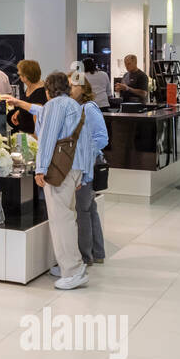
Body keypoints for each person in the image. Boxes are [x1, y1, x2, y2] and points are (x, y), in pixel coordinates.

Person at [2, 71, 93, 290]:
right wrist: (85, 173)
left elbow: (47, 139)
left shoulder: (55, 107)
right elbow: (43, 113)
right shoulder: (72, 105)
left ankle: (73, 270)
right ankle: (66, 265)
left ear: (47, 91)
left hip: (58, 169)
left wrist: (40, 169)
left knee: (61, 220)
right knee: (67, 216)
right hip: (74, 168)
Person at [72, 78, 110, 265]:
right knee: (89, 208)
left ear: (83, 87)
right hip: (85, 162)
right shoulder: (76, 107)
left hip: (89, 163)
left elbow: (102, 138)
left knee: (83, 209)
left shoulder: (88, 108)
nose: (70, 89)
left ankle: (85, 257)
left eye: (73, 85)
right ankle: (97, 252)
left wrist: (86, 153)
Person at [7, 59, 46, 134]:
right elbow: (28, 105)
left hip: (33, 136)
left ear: (26, 76)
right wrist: (19, 112)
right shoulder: (29, 87)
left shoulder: (41, 91)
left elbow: (37, 112)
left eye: (20, 73)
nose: (18, 74)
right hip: (24, 132)